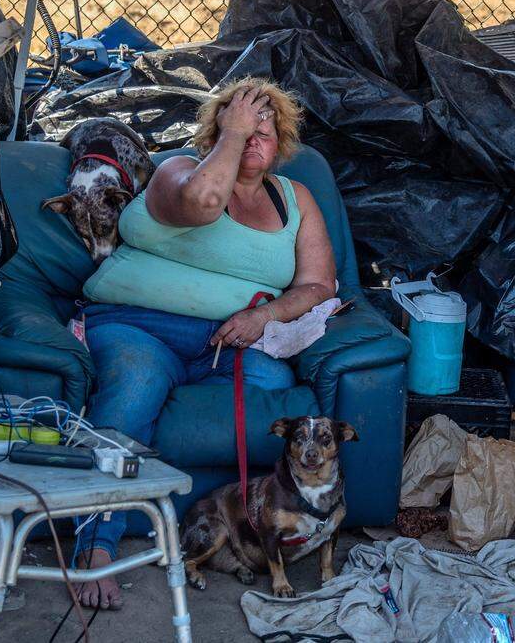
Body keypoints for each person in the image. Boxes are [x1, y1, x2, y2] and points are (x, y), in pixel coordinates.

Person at [73, 77, 336, 609]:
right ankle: (95, 547)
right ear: (215, 132)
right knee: (137, 383)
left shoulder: (294, 200)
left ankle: (248, 532)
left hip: (231, 343)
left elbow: (319, 285)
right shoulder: (176, 172)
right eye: (240, 127)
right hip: (140, 326)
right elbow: (204, 201)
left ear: (281, 139)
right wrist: (233, 133)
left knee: (273, 387)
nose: (253, 138)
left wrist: (265, 316)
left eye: (266, 128)